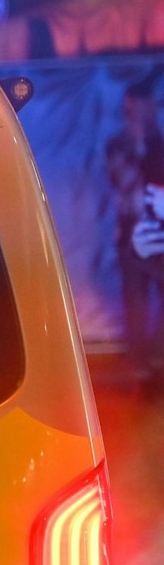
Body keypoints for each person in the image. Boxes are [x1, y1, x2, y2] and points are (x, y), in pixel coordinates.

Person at [106, 74, 164, 387]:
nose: (143, 113)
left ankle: (158, 357)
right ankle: (139, 362)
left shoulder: (162, 144)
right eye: (137, 109)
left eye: (148, 108)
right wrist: (139, 146)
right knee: (135, 298)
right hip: (132, 233)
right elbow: (122, 181)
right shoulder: (118, 145)